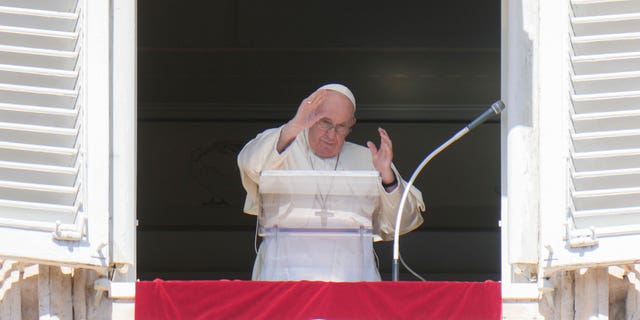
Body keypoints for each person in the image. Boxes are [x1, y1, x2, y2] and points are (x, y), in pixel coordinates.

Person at [237, 83, 425, 281]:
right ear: (310, 117)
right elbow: (250, 164)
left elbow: (403, 221)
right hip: (283, 276)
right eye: (324, 122)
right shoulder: (282, 144)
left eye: (341, 126)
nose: (331, 134)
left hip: (352, 279)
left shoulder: (369, 160)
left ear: (351, 125)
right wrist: (295, 125)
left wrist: (387, 177)